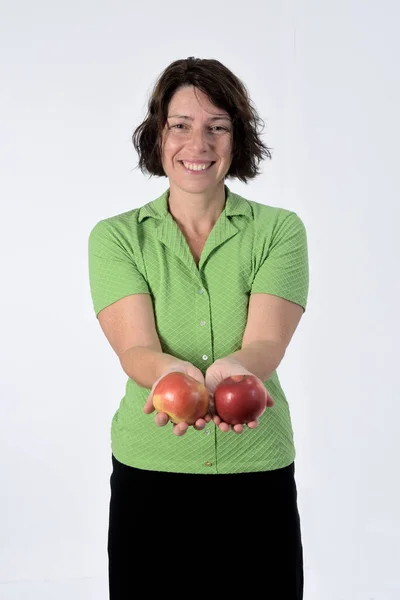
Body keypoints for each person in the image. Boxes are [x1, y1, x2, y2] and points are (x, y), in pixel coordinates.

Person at [88, 56, 309, 599]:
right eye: (180, 126)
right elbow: (136, 348)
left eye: (218, 127)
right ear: (157, 135)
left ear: (238, 139)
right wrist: (178, 378)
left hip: (255, 468)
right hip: (151, 473)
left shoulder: (279, 231)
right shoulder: (116, 238)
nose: (198, 143)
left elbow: (266, 343)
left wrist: (230, 374)